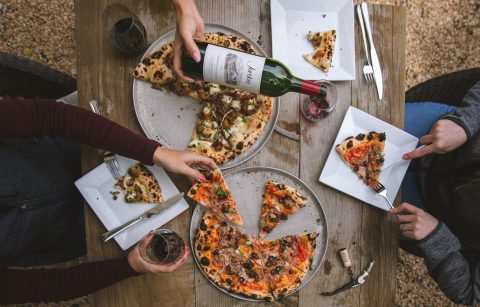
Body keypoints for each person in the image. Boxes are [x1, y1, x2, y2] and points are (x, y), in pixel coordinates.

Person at [0, 97, 216, 304]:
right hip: (84, 232)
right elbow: (52, 286)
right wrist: (130, 266)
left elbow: (49, 116)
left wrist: (156, 152)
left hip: (90, 143)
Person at [388, 81, 480, 305]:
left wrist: (438, 240)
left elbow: (469, 294)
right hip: (445, 132)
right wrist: (465, 122)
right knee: (344, 120)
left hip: (428, 211)